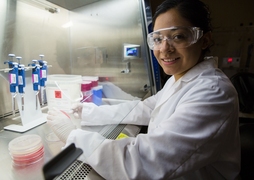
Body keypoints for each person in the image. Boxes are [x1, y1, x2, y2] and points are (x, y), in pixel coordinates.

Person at [47, 0, 241, 179]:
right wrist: (87, 112)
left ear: (204, 40)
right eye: (157, 39)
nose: (164, 48)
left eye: (178, 36)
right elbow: (144, 108)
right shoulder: (181, 79)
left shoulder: (213, 94)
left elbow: (141, 163)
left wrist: (73, 136)